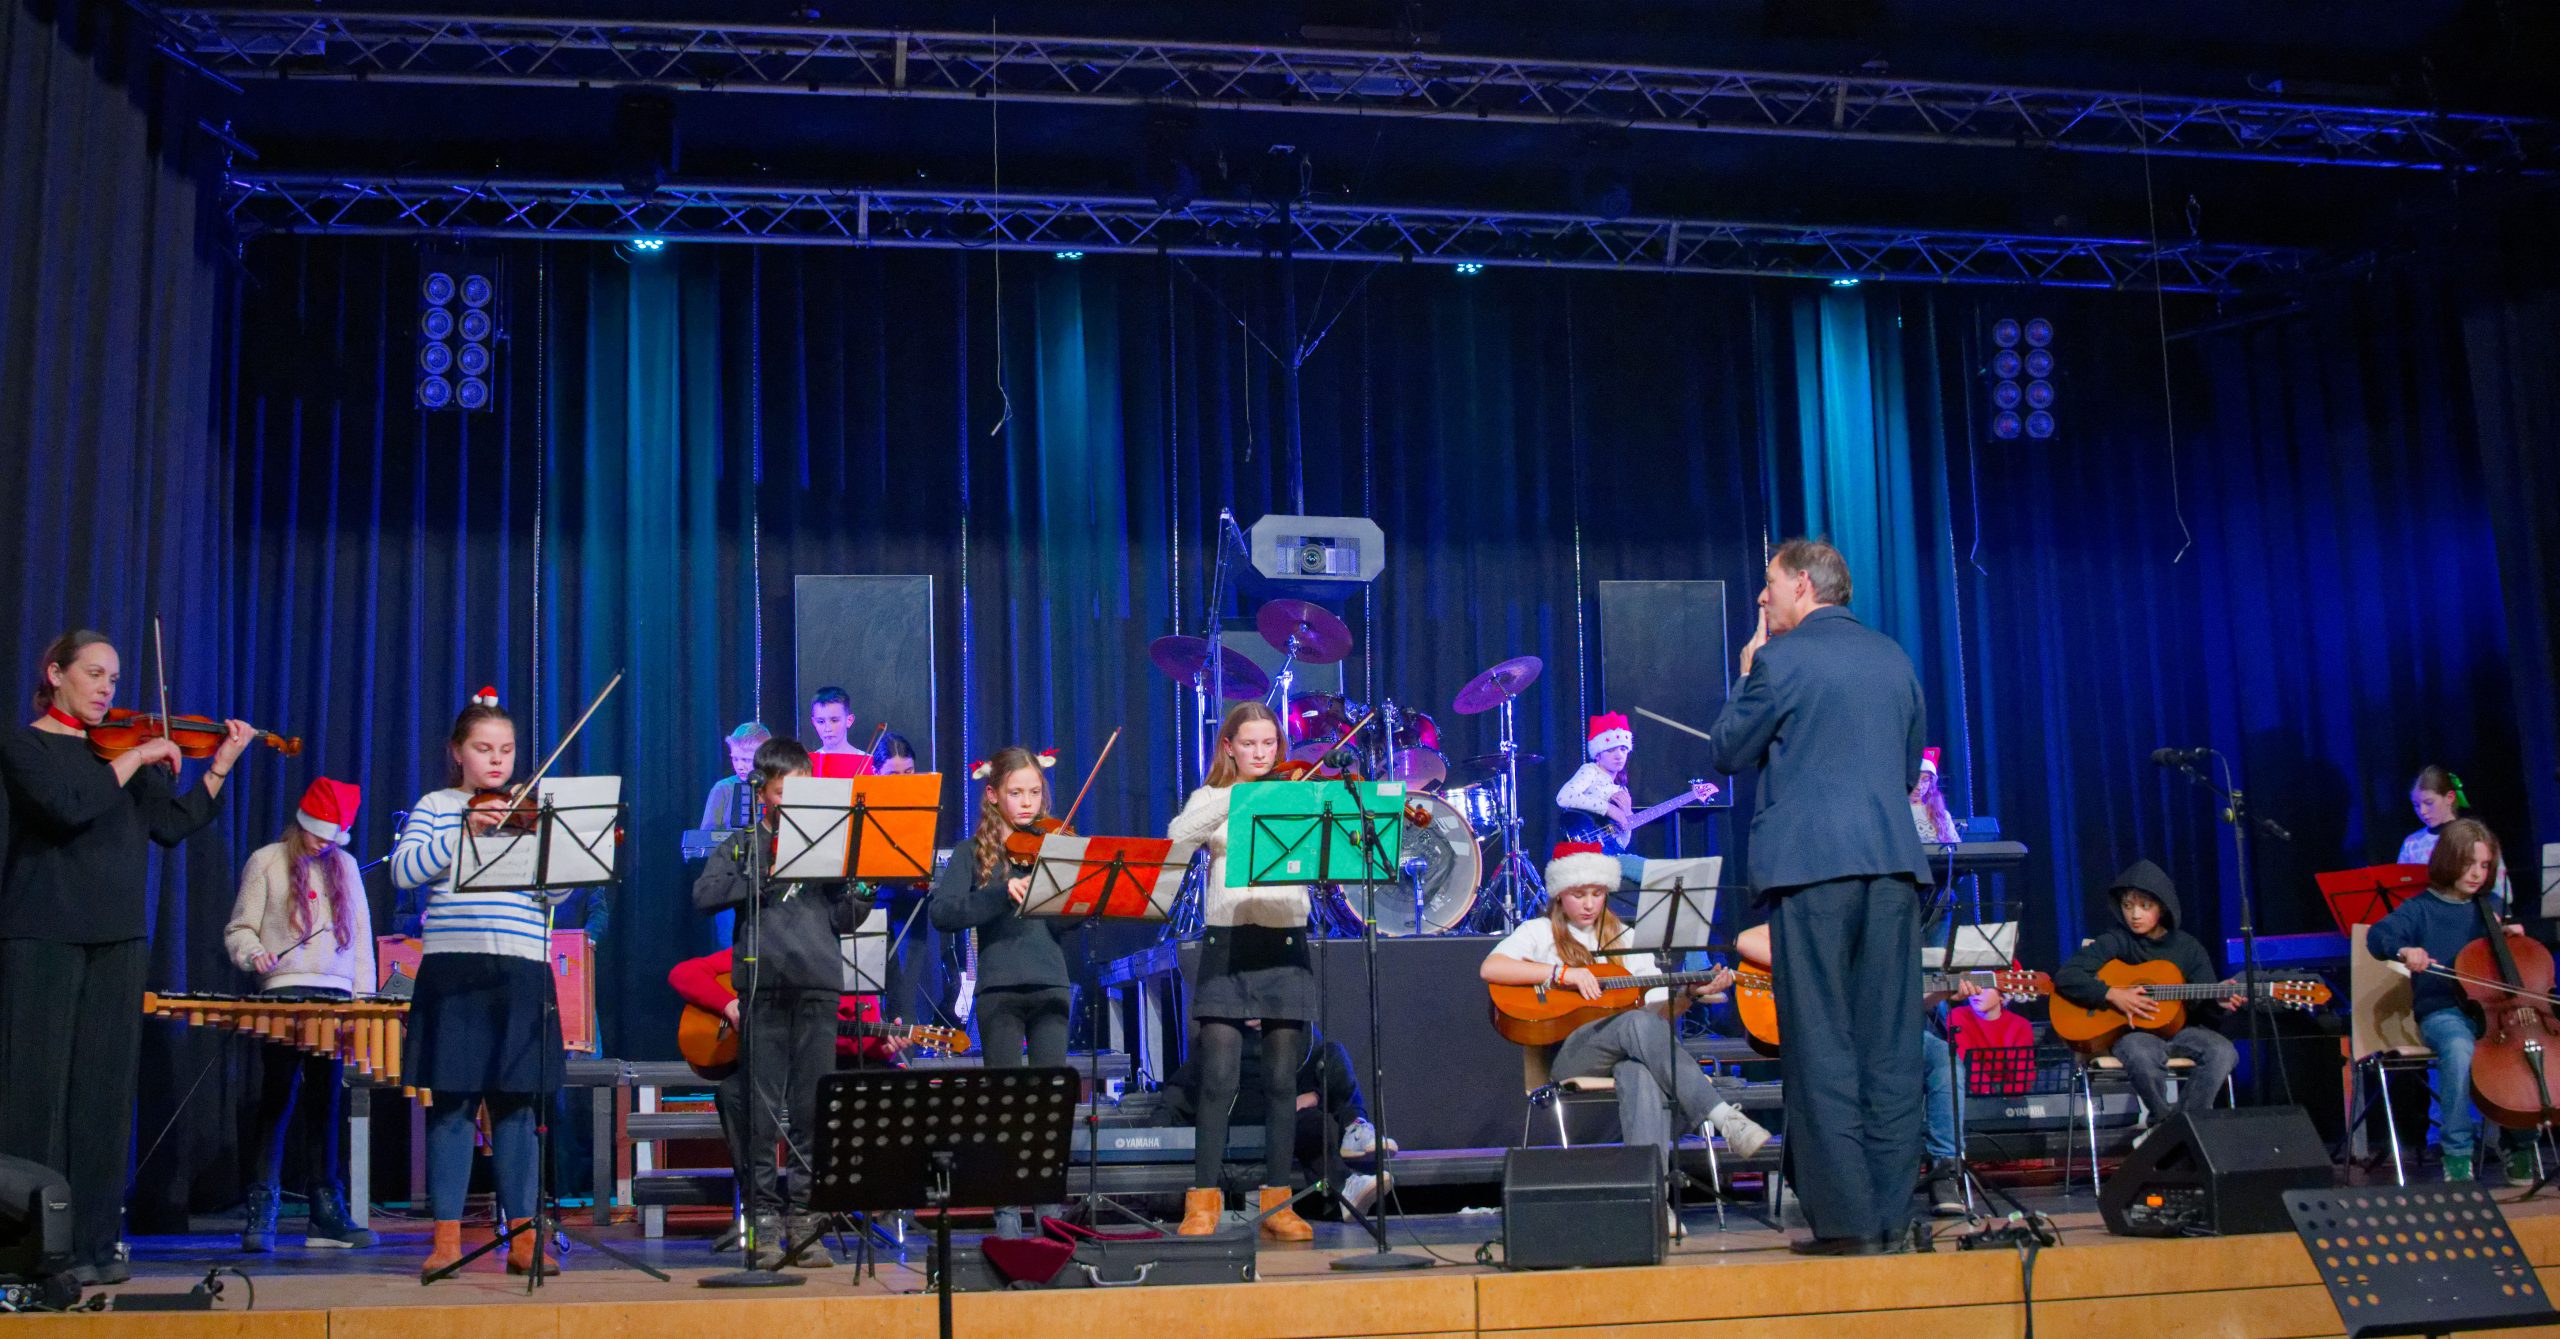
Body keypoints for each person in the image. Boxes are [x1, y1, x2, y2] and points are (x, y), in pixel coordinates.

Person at [0, 629, 255, 1286]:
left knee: (103, 1097)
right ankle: (33, 1248)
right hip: (42, 934)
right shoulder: (26, 745)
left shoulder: (123, 753)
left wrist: (220, 765)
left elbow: (171, 825)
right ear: (56, 674)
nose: (107, 688)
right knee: (36, 1095)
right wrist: (139, 754)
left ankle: (94, 1242)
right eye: (94, 673)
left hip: (118, 936)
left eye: (113, 677)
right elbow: (66, 808)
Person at [1706, 539, 1933, 1256]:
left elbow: (1728, 749)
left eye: (1769, 583)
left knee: (1822, 1045)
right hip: (1892, 870)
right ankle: (1892, 1217)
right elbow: (1906, 772)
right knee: (1891, 1046)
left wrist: (1747, 672)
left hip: (1813, 871)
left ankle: (1848, 1223)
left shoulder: (1779, 661)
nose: (1762, 597)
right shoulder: (1894, 657)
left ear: (1802, 584)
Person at [1481, 843, 1769, 1223]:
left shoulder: (1626, 937)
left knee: (1639, 1072)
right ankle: (1722, 1117)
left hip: (1629, 1048)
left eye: (1597, 893)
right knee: (1635, 1025)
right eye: (1578, 894)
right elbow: (1491, 968)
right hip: (1570, 1056)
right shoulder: (1538, 932)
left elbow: (1658, 1014)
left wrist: (1689, 994)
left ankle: (1652, 1202)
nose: (1589, 904)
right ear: (1559, 894)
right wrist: (1562, 974)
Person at [392, 687, 570, 1281]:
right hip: (456, 969)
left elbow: (558, 892)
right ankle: (446, 1240)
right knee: (453, 1106)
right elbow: (404, 871)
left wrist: (553, 846)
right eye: (484, 748)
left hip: (520, 967)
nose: (497, 760)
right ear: (458, 751)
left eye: (507, 749)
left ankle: (523, 1238)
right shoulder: (437, 805)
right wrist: (463, 829)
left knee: (517, 1108)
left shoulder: (531, 810)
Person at [693, 737, 874, 1269]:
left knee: (813, 1112)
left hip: (818, 984)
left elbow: (842, 920)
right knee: (761, 1114)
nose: (794, 799)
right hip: (763, 987)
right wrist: (759, 876)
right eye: (783, 790)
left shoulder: (828, 844)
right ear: (764, 792)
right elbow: (704, 895)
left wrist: (862, 890)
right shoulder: (745, 844)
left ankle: (805, 1221)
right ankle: (764, 1221)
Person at [1167, 702, 1317, 1241]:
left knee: (1281, 1080)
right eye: (1249, 744)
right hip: (1226, 944)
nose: (1261, 753)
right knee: (1218, 1078)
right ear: (1228, 746)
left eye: (1269, 744)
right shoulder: (1212, 797)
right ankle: (1202, 1202)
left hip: (1285, 942)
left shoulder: (1298, 793)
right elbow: (1177, 837)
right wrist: (1239, 797)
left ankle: (1279, 1204)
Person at [224, 778, 379, 1252]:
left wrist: (364, 1000)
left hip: (334, 999)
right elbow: (240, 929)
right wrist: (254, 954)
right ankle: (262, 1208)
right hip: (284, 995)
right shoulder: (266, 861)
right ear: (301, 823)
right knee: (276, 1099)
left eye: (332, 837)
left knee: (326, 1104)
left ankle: (325, 1213)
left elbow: (361, 940)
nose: (323, 844)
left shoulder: (345, 866)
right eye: (317, 834)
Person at [667, 944, 906, 1246]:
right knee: (733, 1094)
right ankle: (759, 1210)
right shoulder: (763, 948)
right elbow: (683, 973)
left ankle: (880, 1204)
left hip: (827, 1061)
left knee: (890, 1083)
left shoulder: (849, 961)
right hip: (773, 1059)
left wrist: (881, 1046)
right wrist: (727, 1003)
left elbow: (852, 1039)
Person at [927, 746, 1073, 1238]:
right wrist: (998, 893)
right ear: (993, 795)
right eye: (1016, 793)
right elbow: (943, 913)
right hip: (1000, 989)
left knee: (1049, 1104)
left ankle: (1049, 1209)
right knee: (1005, 1103)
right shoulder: (972, 853)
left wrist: (1076, 897)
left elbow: (1067, 926)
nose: (1028, 802)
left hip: (1051, 983)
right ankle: (1007, 1209)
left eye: (1035, 792)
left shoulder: (1055, 844)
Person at [2367, 818, 2518, 1183]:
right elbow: (2379, 936)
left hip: (2494, 1011)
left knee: (2523, 1047)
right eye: (2469, 864)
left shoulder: (2490, 906)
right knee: (2458, 1047)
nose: (2477, 874)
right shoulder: (2421, 908)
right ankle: (2457, 1154)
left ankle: (2521, 1144)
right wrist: (2405, 950)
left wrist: (2512, 937)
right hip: (2444, 1010)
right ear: (2449, 860)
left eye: (2485, 865)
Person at [2051, 860, 2242, 1136]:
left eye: (2144, 906)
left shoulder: (2187, 947)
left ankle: (2184, 1128)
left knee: (2223, 1052)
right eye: (2128, 906)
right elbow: (2067, 976)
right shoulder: (2117, 940)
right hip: (2133, 1034)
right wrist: (2112, 994)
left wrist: (2218, 1002)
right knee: (2139, 1053)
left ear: (2162, 907)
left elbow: (2205, 1008)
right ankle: (2165, 1125)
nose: (2135, 915)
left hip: (2182, 1031)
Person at [1165, 1024, 1392, 1220]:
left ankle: (1355, 1127)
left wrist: (1317, 1095)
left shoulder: (1295, 1029)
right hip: (1249, 1110)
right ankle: (1343, 1187)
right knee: (1310, 1123)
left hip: (1290, 1100)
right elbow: (1181, 1090)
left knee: (1334, 1053)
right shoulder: (1220, 1034)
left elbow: (1316, 1063)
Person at [1555, 712, 1716, 851]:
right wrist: (1609, 809)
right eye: (1611, 750)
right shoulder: (1590, 770)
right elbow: (1564, 797)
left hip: (1606, 854)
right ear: (1598, 754)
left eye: (1623, 749)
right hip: (1580, 848)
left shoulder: (1622, 789)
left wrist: (1627, 814)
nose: (1619, 755)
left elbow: (1622, 844)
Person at [2398, 766, 2510, 901]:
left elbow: (2500, 890)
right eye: (2416, 805)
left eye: (2429, 803)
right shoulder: (2412, 843)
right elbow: (2401, 888)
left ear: (2449, 797)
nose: (2422, 811)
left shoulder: (2476, 835)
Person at [699, 721, 772, 832]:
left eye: (746, 760)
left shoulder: (776, 787)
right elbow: (706, 836)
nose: (739, 766)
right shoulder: (723, 788)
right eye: (735, 759)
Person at [1911, 748, 1959, 844]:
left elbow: (1956, 848)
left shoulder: (1942, 816)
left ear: (1931, 782)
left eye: (1925, 780)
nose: (1919, 786)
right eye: (1914, 779)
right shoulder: (1893, 813)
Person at [808, 687, 861, 761]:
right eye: (821, 722)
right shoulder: (809, 763)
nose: (827, 729)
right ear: (814, 723)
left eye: (834, 720)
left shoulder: (867, 762)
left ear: (849, 720)